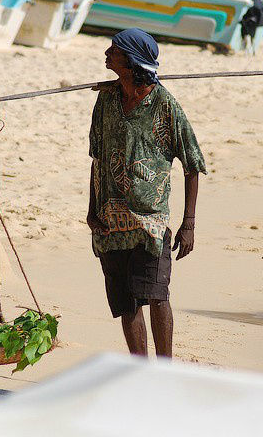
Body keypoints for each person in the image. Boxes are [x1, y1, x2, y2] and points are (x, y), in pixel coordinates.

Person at [87, 28, 206, 358]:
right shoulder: (106, 99)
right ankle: (141, 372)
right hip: (110, 223)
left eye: (115, 50)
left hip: (149, 224)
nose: (107, 53)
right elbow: (97, 157)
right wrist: (91, 208)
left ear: (130, 60)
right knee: (127, 301)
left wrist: (189, 224)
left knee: (156, 294)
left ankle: (164, 371)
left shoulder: (165, 105)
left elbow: (192, 163)